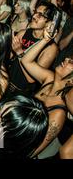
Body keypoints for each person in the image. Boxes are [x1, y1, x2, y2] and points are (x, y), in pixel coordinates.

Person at [21, 26, 73, 157]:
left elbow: (34, 150)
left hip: (19, 144)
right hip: (11, 126)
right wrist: (44, 40)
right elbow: (26, 61)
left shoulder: (58, 112)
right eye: (68, 58)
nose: (66, 60)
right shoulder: (49, 77)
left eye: (71, 62)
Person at [2, 2, 60, 101]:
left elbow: (31, 79)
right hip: (5, 83)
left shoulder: (51, 48)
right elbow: (7, 60)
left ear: (49, 22)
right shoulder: (23, 33)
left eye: (40, 15)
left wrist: (19, 52)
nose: (34, 16)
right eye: (35, 12)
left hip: (21, 94)